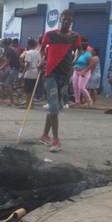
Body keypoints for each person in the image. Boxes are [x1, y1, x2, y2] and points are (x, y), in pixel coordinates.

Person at [39, 9, 82, 152]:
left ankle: (45, 135)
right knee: (54, 107)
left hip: (64, 75)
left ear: (72, 22)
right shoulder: (50, 34)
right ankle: (56, 140)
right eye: (64, 19)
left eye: (69, 20)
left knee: (53, 107)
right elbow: (42, 49)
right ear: (60, 19)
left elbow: (79, 50)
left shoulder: (75, 36)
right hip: (50, 74)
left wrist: (74, 62)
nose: (66, 22)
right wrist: (42, 61)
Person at [0, 38, 21, 106]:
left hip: (14, 68)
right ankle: (5, 95)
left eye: (1, 44)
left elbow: (7, 62)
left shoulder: (10, 51)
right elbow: (1, 57)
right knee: (2, 78)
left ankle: (12, 100)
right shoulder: (6, 49)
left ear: (4, 44)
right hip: (11, 68)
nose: (0, 45)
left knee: (8, 85)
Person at [72, 37, 93, 106]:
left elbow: (91, 64)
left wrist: (84, 71)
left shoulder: (88, 54)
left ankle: (89, 101)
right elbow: (75, 61)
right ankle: (77, 101)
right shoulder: (79, 53)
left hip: (84, 72)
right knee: (75, 86)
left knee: (81, 87)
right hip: (76, 70)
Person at [22, 38, 41, 107]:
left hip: (29, 72)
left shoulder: (28, 53)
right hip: (35, 72)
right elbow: (40, 62)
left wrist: (23, 73)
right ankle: (31, 104)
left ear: (28, 45)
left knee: (28, 90)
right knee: (32, 90)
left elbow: (27, 64)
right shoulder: (38, 52)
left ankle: (28, 105)